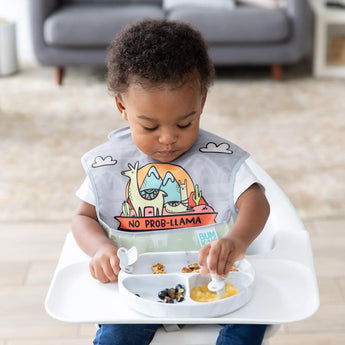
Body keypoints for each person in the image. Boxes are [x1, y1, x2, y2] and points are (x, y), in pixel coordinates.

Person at [72, 19, 270, 345]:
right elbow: (83, 218)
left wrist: (237, 240)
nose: (167, 139)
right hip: (140, 287)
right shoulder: (108, 165)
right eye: (149, 127)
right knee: (115, 336)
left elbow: (256, 200)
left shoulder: (216, 157)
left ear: (201, 102)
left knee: (254, 318)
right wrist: (100, 248)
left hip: (216, 281)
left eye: (185, 122)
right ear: (122, 106)